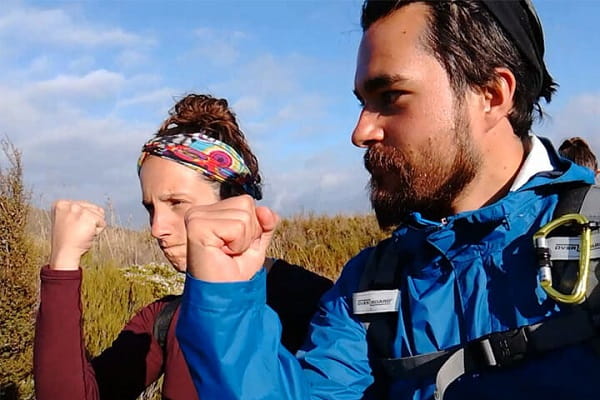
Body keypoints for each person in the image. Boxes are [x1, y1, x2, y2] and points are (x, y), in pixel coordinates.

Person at [175, 1, 600, 400]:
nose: (361, 132)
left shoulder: (592, 243)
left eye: (390, 96)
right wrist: (225, 302)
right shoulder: (372, 280)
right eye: (362, 103)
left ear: (491, 94)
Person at [33, 94, 333, 400]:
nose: (156, 228)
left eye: (176, 203)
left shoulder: (323, 308)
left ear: (234, 202)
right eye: (150, 208)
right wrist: (63, 265)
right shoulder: (165, 318)